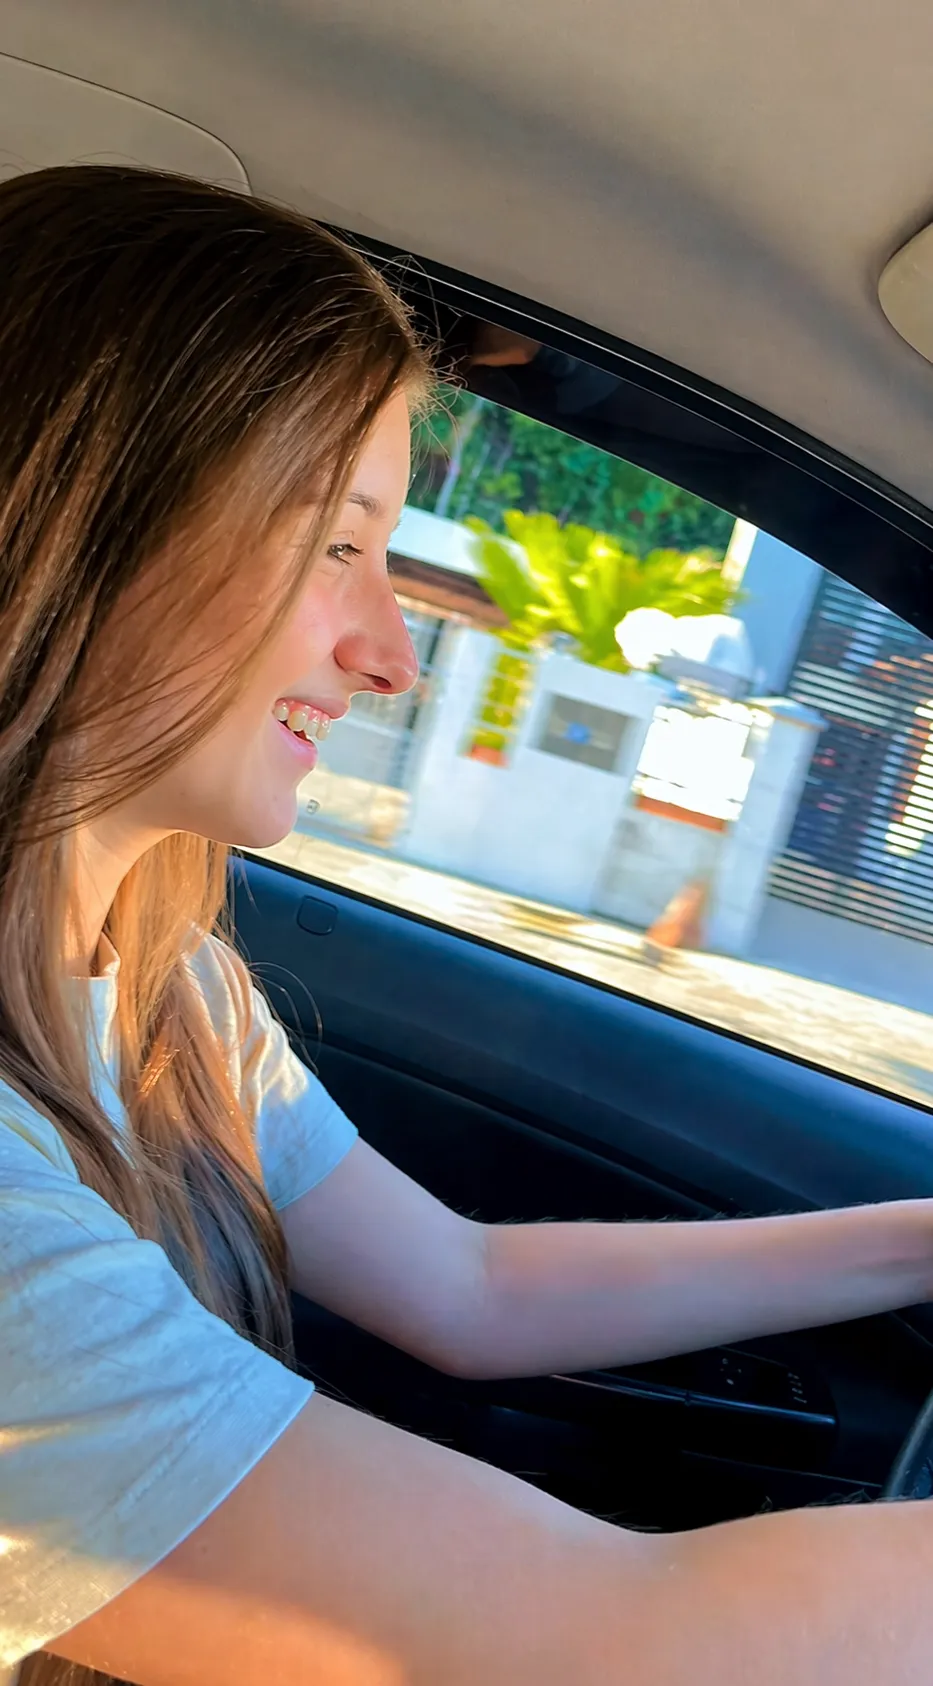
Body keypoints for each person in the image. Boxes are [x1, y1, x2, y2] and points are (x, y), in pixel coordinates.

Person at [2, 164, 933, 1686]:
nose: (392, 658)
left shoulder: (168, 989)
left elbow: (469, 1286)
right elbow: (604, 1642)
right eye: (336, 546)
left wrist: (918, 1236)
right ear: (88, 517)